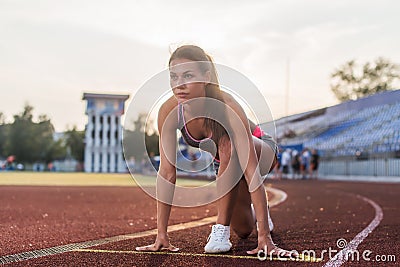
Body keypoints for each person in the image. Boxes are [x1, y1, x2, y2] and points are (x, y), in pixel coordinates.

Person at [136, 45, 292, 256]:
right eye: (174, 77)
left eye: (188, 75)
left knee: (230, 146)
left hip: (260, 149)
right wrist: (161, 235)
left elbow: (252, 170)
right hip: (228, 163)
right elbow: (166, 172)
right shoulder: (169, 110)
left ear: (206, 76)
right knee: (244, 230)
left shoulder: (227, 105)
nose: (179, 84)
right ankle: (256, 214)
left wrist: (265, 237)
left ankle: (220, 231)